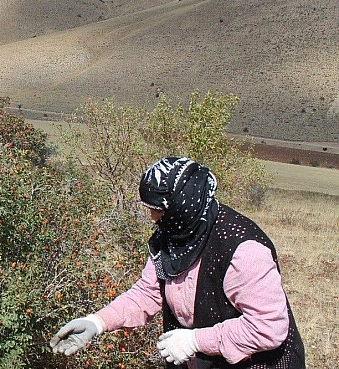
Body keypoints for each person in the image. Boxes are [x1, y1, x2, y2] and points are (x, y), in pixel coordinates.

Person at [50, 157, 305, 368]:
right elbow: (148, 293)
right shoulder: (172, 237)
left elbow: (268, 327)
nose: (152, 218)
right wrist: (96, 323)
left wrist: (196, 341)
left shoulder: (242, 248)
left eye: (157, 210)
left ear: (181, 208)